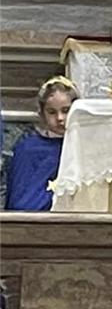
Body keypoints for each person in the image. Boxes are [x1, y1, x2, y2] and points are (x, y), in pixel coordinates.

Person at [5, 76, 78, 211]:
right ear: (42, 114)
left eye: (66, 110)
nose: (60, 118)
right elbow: (20, 201)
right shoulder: (28, 148)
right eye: (52, 112)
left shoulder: (82, 148)